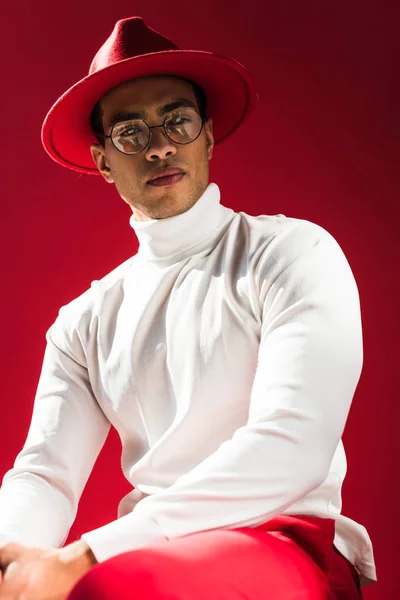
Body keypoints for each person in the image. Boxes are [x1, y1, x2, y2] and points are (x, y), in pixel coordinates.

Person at [0, 15, 376, 600]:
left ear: (207, 134)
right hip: (144, 551)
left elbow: (292, 444)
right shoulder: (83, 321)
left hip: (283, 536)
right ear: (103, 161)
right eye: (131, 132)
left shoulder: (292, 252)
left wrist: (89, 554)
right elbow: (44, 474)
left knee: (107, 589)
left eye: (178, 120)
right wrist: (12, 563)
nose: (161, 145)